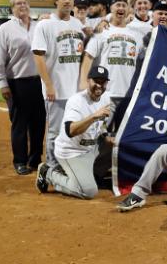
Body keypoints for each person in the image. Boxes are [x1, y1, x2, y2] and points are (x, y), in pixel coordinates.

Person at [35, 65, 112, 199]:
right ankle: (48, 173)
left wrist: (105, 136)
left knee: (116, 144)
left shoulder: (106, 98)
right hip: (71, 152)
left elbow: (102, 124)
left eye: (103, 82)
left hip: (90, 149)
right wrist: (94, 116)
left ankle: (92, 175)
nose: (99, 85)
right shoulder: (76, 101)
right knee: (88, 192)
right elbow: (70, 131)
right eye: (96, 81)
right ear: (88, 80)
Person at [31, 0, 85, 172]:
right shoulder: (45, 24)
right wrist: (48, 85)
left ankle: (65, 164)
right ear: (56, 1)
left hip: (76, 91)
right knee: (54, 131)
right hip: (56, 89)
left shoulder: (78, 24)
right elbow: (38, 56)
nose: (68, 1)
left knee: (72, 130)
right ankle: (52, 168)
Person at [0, 0, 46, 174]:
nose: (22, 6)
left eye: (24, 3)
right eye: (17, 4)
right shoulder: (5, 29)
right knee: (20, 124)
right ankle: (20, 161)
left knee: (39, 123)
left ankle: (35, 159)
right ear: (12, 8)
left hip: (40, 82)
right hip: (17, 83)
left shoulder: (39, 26)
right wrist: (2, 83)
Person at [80, 0, 144, 129]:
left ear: (128, 9)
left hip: (129, 94)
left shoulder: (137, 35)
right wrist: (84, 82)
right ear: (111, 8)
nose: (121, 8)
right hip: (106, 93)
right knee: (101, 134)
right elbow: (88, 56)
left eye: (123, 5)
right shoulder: (102, 32)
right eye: (117, 5)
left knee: (122, 137)